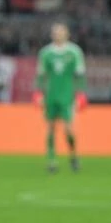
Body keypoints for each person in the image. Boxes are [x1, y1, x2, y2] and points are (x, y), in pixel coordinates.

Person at [35, 23, 86, 173]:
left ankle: (74, 155)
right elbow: (41, 75)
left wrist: (80, 94)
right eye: (56, 32)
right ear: (52, 35)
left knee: (68, 129)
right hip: (51, 95)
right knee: (50, 128)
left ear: (67, 34)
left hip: (67, 96)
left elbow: (80, 75)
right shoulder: (46, 53)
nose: (58, 35)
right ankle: (51, 160)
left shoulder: (74, 52)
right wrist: (38, 93)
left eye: (61, 32)